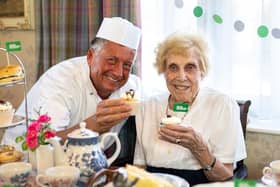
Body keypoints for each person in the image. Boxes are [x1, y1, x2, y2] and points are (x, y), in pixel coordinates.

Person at [2, 17, 141, 151]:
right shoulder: (61, 81)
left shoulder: (131, 87)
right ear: (91, 56)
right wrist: (94, 124)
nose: (118, 72)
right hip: (25, 163)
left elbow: (158, 102)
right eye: (111, 61)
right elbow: (46, 144)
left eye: (127, 65)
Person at [134, 33, 246, 186]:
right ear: (163, 71)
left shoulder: (222, 105)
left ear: (202, 71)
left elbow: (225, 178)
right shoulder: (148, 107)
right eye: (173, 67)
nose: (181, 76)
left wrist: (198, 148)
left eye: (190, 67)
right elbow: (139, 169)